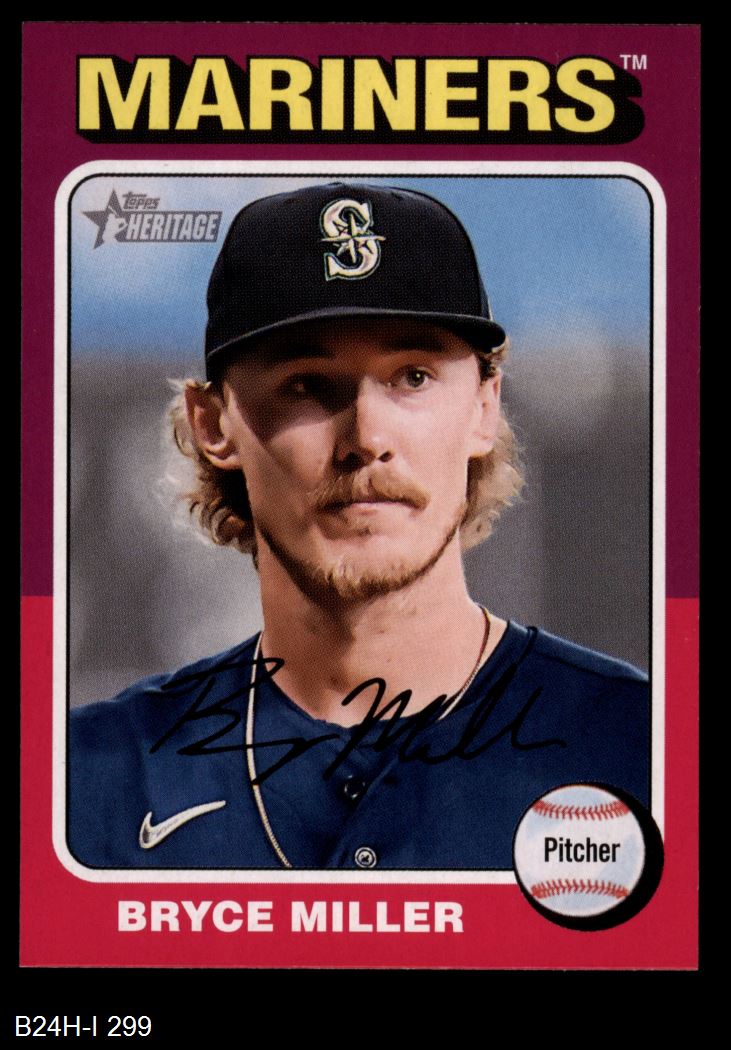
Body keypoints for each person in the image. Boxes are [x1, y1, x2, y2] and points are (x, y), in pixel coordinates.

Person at [68, 182, 649, 870]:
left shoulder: (644, 747)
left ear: (483, 409)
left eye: (413, 377)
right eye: (307, 384)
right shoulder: (90, 779)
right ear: (214, 424)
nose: (367, 438)